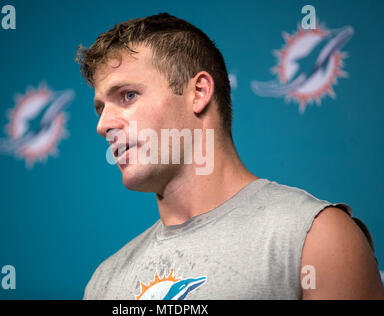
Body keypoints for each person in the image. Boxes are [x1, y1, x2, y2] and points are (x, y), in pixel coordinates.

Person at [75, 12, 384, 299]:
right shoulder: (104, 282)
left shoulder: (314, 239)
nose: (103, 126)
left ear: (198, 92)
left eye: (128, 96)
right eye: (101, 108)